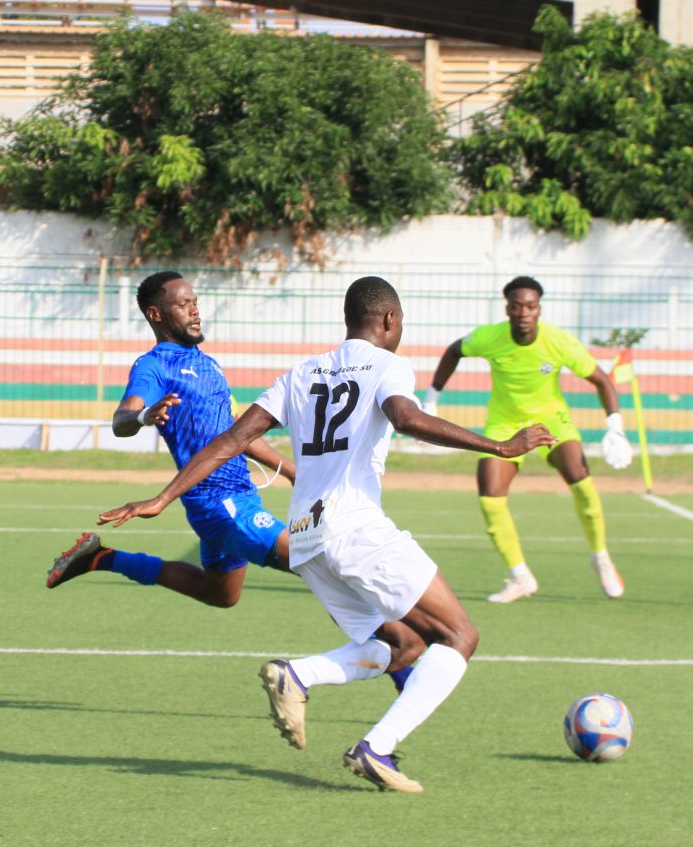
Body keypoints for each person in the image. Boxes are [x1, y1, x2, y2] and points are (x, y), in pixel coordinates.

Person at [98, 277, 554, 793]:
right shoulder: (388, 365)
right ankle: (375, 748)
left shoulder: (300, 372)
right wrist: (499, 446)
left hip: (309, 540)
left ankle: (301, 676)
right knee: (460, 636)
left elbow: (231, 440)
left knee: (402, 644)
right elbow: (405, 417)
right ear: (388, 321)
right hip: (356, 529)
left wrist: (163, 496)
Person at [44, 270, 300, 609]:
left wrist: (291, 471)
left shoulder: (209, 364)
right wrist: (144, 416)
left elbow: (237, 434)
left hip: (239, 495)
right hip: (218, 504)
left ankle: (103, 558)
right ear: (156, 314)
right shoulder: (153, 366)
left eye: (195, 303)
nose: (194, 311)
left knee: (220, 594)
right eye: (183, 304)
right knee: (316, 563)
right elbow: (121, 420)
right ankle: (391, 654)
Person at [421, 275, 633, 604]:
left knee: (582, 481)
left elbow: (602, 380)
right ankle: (520, 577)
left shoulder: (558, 341)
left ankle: (601, 557)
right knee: (490, 498)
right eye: (516, 306)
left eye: (530, 307)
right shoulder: (490, 337)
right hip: (504, 422)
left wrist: (616, 427)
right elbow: (453, 351)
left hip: (551, 421)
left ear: (539, 309)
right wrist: (431, 399)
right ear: (507, 309)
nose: (523, 312)